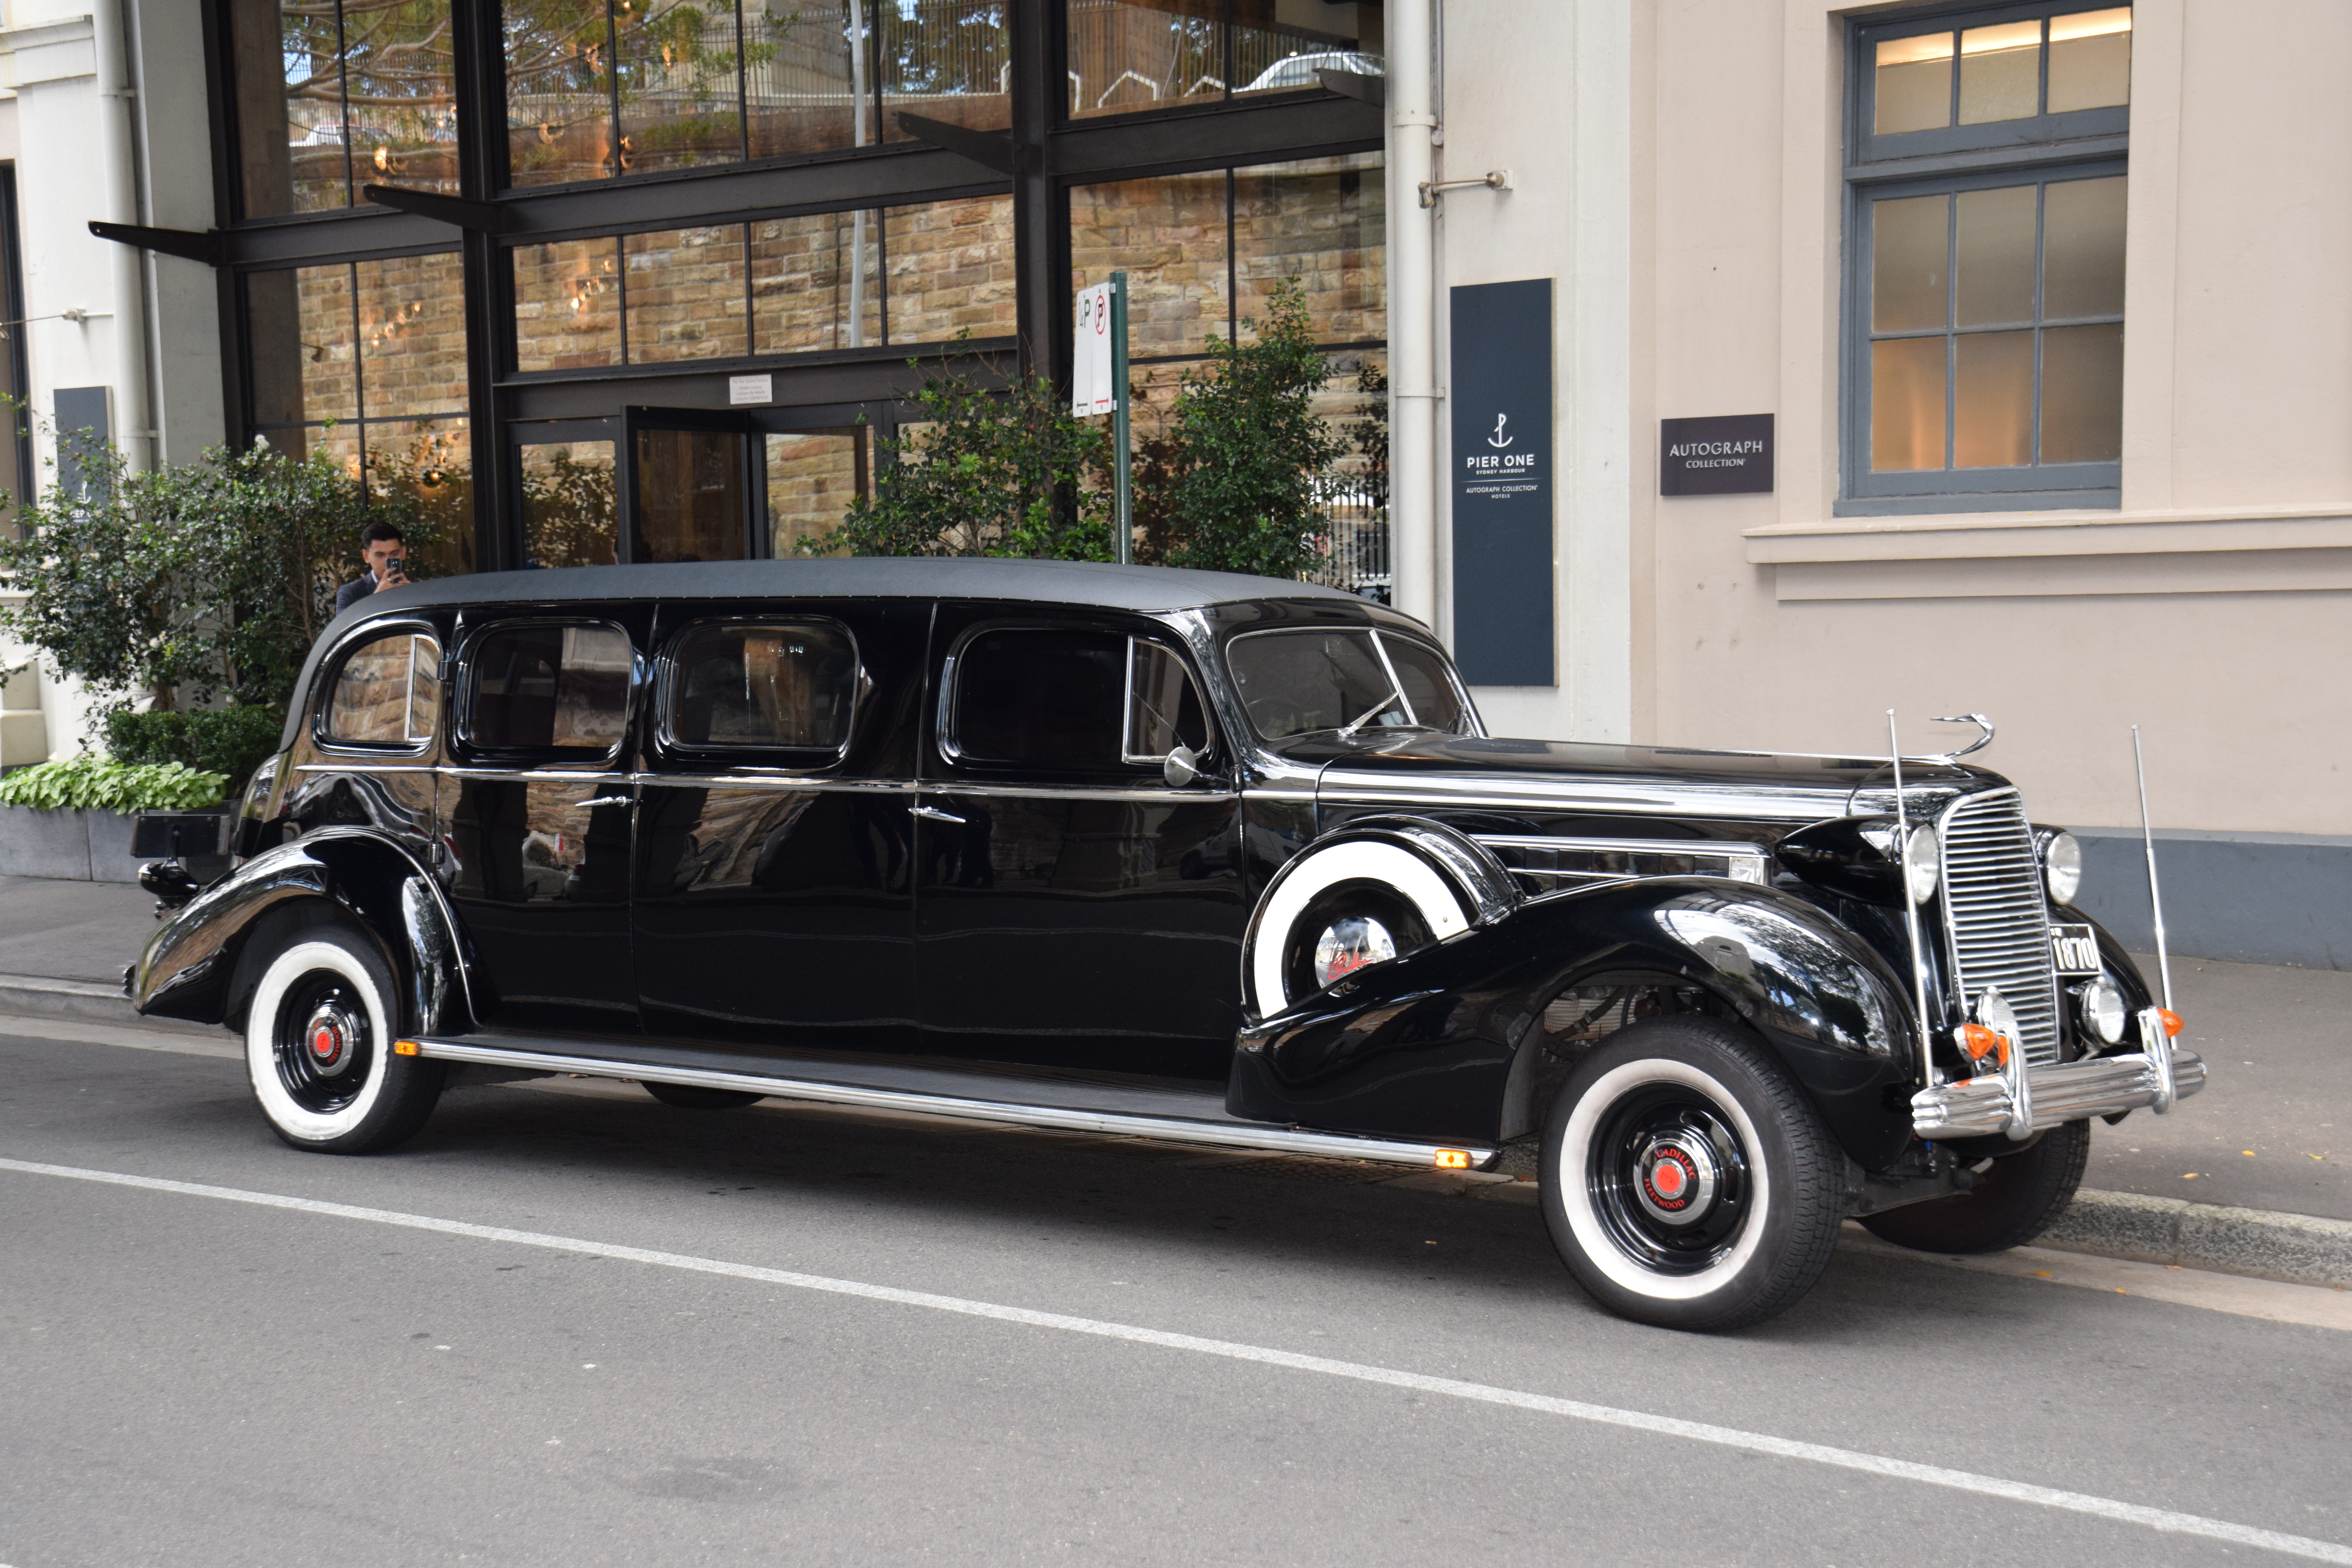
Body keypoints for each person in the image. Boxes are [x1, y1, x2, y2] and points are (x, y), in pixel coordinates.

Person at [335, 521, 412, 614]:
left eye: (394, 554)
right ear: (366, 556)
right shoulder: (350, 593)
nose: (387, 562)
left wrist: (412, 597)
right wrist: (377, 598)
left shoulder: (416, 590)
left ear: (403, 553)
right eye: (380, 555)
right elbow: (345, 626)